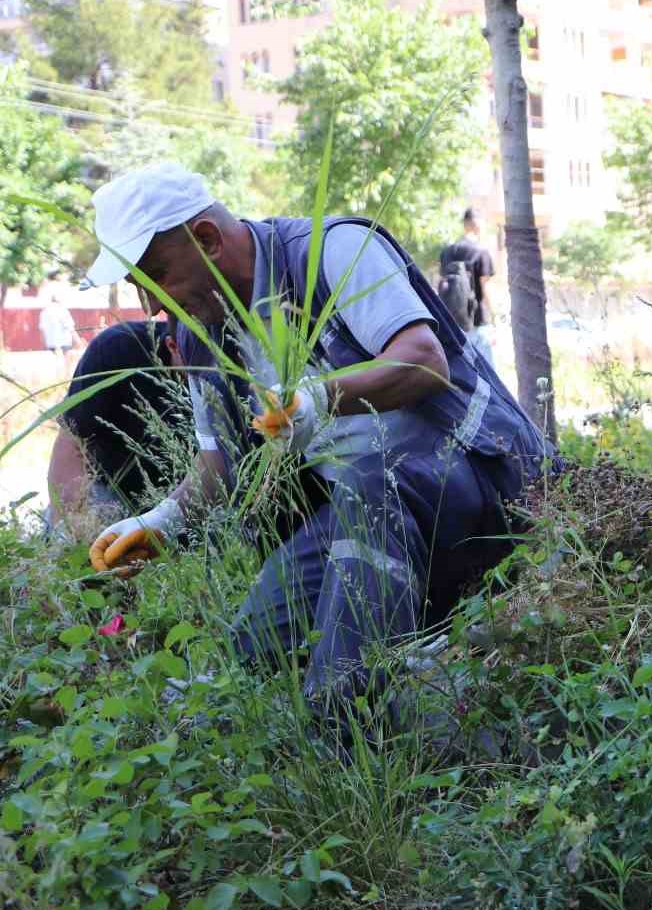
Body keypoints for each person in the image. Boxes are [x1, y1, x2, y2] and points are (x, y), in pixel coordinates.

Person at [79, 161, 554, 713]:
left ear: (206, 239)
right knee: (253, 650)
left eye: (155, 277)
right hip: (368, 509)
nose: (152, 307)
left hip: (483, 475)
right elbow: (218, 462)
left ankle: (340, 721)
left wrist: (320, 398)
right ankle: (239, 722)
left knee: (370, 483)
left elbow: (424, 363)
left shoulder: (332, 251)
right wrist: (161, 520)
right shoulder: (199, 329)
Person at [46, 319, 191, 539]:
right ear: (173, 346)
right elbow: (71, 441)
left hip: (193, 496)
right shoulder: (117, 348)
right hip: (111, 492)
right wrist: (69, 530)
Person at [437, 208, 496, 364]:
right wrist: (495, 316)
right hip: (477, 321)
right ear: (478, 225)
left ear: (464, 225)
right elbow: (485, 288)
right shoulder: (481, 252)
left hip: (452, 323)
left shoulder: (447, 252)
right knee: (488, 372)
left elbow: (442, 284)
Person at [37, 291, 78, 373]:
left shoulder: (44, 312)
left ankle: (59, 376)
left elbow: (42, 329)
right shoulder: (63, 310)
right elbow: (70, 327)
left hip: (51, 342)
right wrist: (77, 339)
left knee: (56, 362)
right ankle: (66, 377)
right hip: (64, 341)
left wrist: (44, 342)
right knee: (67, 362)